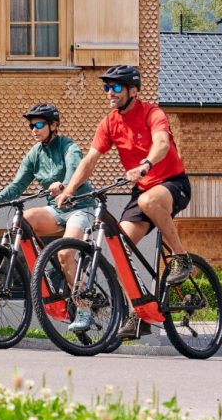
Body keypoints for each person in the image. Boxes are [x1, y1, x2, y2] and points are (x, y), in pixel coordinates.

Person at [55, 64, 193, 339]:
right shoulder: (109, 123)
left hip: (172, 184)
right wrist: (69, 190)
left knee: (149, 202)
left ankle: (180, 258)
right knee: (120, 252)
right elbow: (90, 160)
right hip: (141, 192)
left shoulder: (152, 113)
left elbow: (162, 143)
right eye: (107, 87)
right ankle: (138, 313)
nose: (110, 92)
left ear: (133, 90)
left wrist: (146, 163)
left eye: (116, 87)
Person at [0, 104, 96, 330]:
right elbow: (18, 184)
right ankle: (46, 270)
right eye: (31, 125)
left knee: (65, 254)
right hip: (55, 210)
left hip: (80, 206)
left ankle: (84, 309)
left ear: (54, 126)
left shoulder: (67, 146)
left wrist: (64, 185)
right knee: (24, 220)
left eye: (39, 124)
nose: (34, 129)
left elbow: (75, 168)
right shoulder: (35, 153)